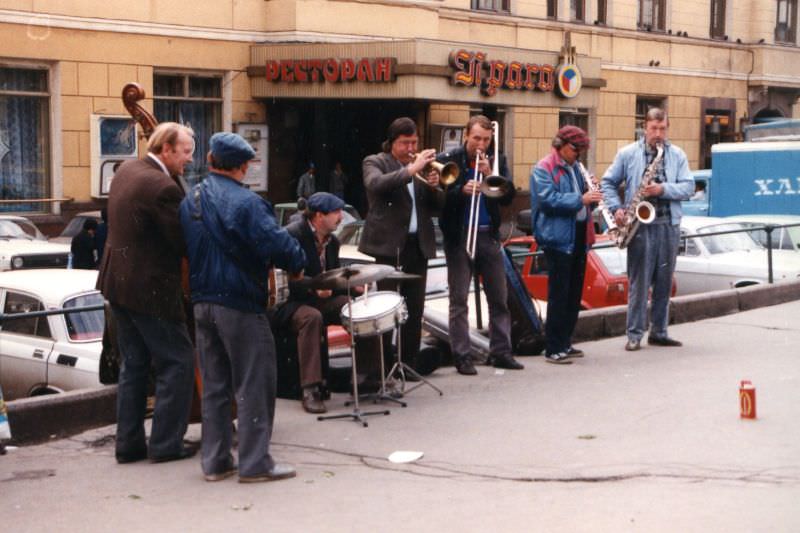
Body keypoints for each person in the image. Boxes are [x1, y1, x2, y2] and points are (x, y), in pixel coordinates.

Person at [180, 132, 306, 483]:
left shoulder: (190, 199)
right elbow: (279, 244)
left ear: (209, 160)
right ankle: (254, 464)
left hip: (202, 302)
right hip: (238, 302)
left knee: (215, 386)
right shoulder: (247, 203)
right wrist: (299, 257)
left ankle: (216, 461)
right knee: (254, 383)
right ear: (244, 166)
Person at [97, 122, 197, 464]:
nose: (188, 161)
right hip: (150, 289)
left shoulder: (128, 169)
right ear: (166, 149)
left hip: (117, 283)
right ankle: (166, 444)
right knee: (178, 361)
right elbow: (182, 242)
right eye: (185, 153)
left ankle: (128, 445)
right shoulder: (162, 187)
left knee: (134, 365)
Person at [601, 108, 694, 351]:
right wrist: (617, 208)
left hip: (668, 225)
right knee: (639, 283)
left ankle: (659, 332)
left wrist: (662, 189)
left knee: (664, 282)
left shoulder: (677, 155)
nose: (658, 134)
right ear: (645, 128)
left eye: (662, 129)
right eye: (654, 129)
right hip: (639, 226)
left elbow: (688, 187)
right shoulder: (628, 153)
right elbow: (607, 183)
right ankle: (634, 334)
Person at [436, 115, 524, 374]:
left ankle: (501, 351)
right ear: (466, 136)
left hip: (488, 234)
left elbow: (508, 198)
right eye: (476, 138)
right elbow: (438, 198)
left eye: (486, 139)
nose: (481, 144)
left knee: (499, 297)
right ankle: (462, 356)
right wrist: (460, 190)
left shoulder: (498, 159)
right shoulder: (449, 160)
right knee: (459, 298)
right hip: (459, 235)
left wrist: (491, 176)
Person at [359, 117, 444, 372]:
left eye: (414, 142)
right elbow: (376, 184)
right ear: (391, 143)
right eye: (405, 143)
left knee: (414, 309)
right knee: (387, 308)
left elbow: (438, 208)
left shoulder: (419, 169)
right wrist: (411, 169)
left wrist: (434, 187)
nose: (410, 148)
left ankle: (409, 363)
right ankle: (384, 368)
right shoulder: (375, 161)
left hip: (417, 245)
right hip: (388, 246)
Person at [531, 126, 603, 364]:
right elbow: (547, 200)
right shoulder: (544, 168)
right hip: (558, 238)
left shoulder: (575, 168)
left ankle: (566, 342)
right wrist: (581, 198)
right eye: (575, 149)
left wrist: (592, 194)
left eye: (582, 149)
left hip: (580, 234)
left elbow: (584, 204)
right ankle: (553, 347)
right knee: (559, 295)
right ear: (560, 144)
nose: (579, 154)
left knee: (574, 294)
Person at [276, 192, 353, 414]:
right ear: (319, 216)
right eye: (336, 213)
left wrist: (351, 284)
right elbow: (282, 279)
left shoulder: (333, 242)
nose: (341, 217)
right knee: (311, 317)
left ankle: (368, 377)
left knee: (352, 307)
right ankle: (310, 388)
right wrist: (313, 286)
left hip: (315, 299)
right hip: (289, 303)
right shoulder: (292, 236)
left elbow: (330, 277)